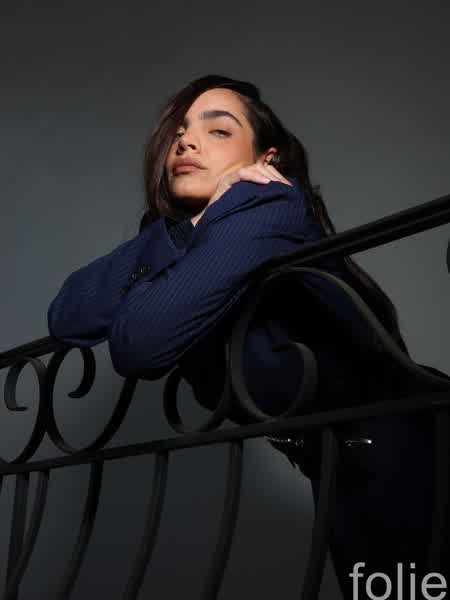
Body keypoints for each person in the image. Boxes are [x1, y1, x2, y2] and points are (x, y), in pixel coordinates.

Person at [47, 74, 445, 599]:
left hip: (412, 447)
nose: (187, 142)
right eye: (179, 132)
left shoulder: (267, 202)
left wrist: (206, 220)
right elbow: (67, 314)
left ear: (265, 158)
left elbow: (138, 344)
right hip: (343, 463)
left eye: (218, 131)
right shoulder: (184, 237)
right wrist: (189, 226)